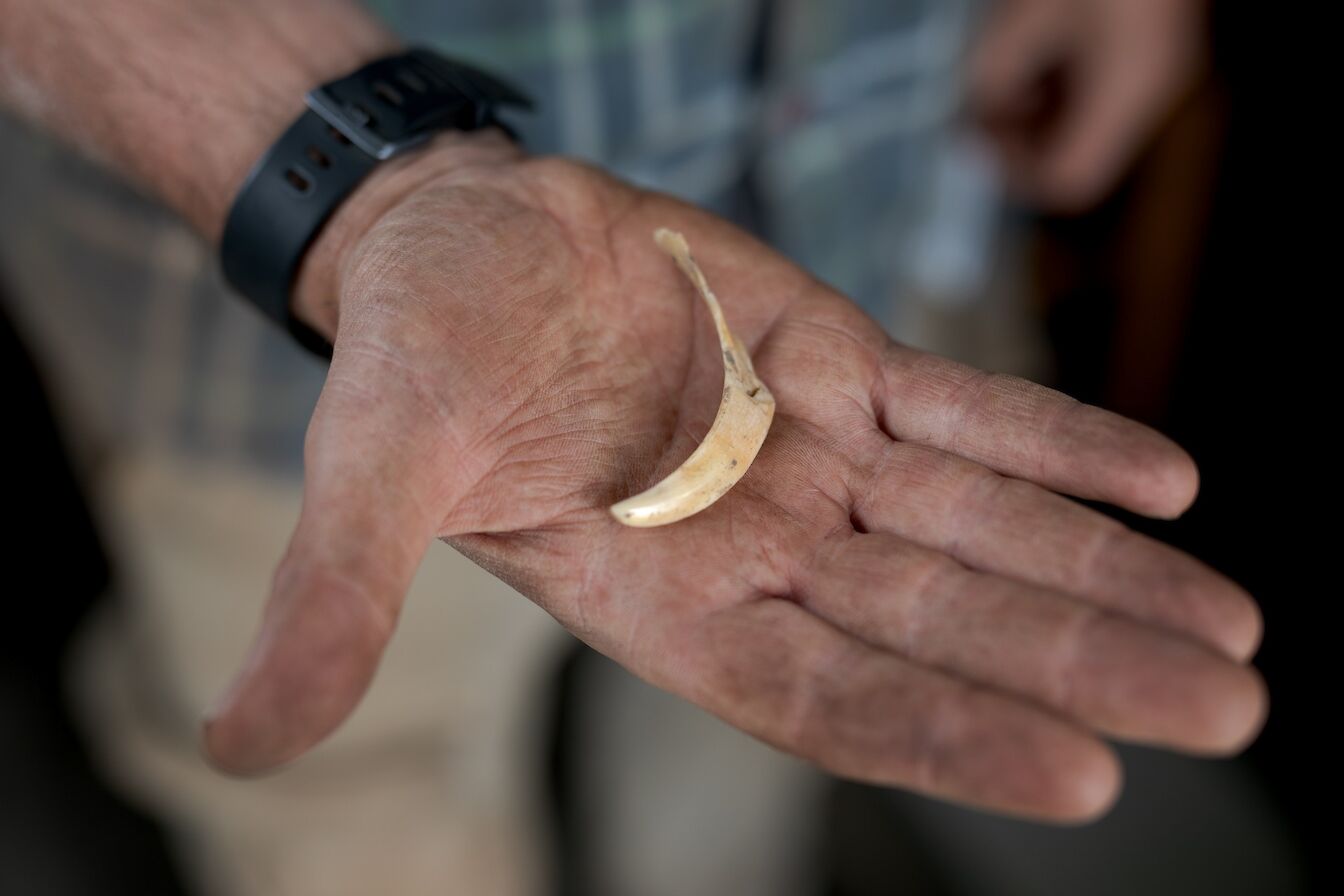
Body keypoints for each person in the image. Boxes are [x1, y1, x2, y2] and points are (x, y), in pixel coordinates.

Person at [0, 1, 1261, 893]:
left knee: (760, 728)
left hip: (867, 182)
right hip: (267, 332)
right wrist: (362, 184)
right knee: (358, 797)